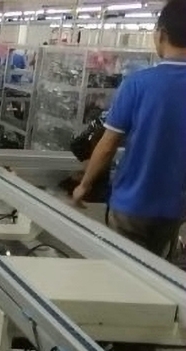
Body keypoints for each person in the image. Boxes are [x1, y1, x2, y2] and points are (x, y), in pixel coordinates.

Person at [72, 0, 186, 258]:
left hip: (131, 204)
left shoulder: (137, 84)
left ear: (161, 34)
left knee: (122, 272)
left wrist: (85, 184)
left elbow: (108, 145)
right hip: (174, 208)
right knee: (156, 275)